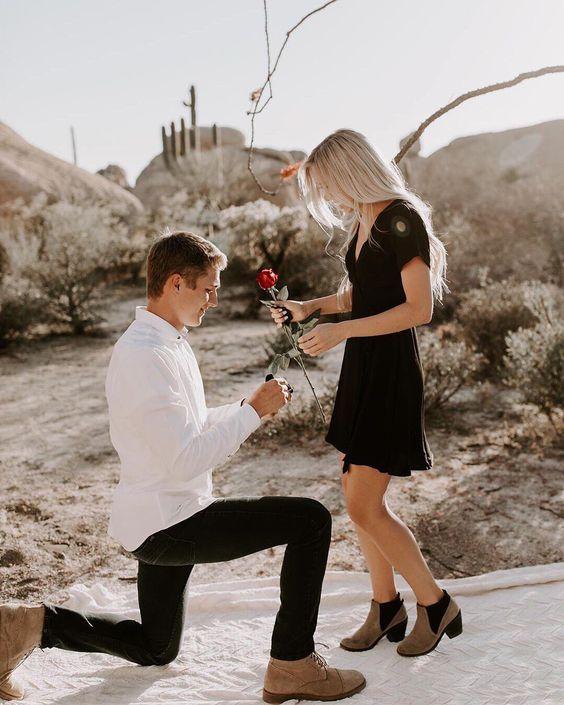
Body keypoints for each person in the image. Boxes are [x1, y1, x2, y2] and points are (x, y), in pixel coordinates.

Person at [0, 230, 366, 704]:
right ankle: (293, 665)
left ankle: (26, 625)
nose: (214, 300)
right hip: (169, 521)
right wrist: (254, 413)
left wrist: (246, 407)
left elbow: (189, 428)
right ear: (176, 283)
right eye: (208, 289)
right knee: (310, 521)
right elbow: (185, 460)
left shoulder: (167, 342)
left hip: (163, 514)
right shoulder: (145, 356)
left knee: (156, 648)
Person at [269, 129, 463, 658]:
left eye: (327, 184)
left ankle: (436, 605)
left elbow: (418, 309)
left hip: (390, 370)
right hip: (363, 367)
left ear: (350, 171)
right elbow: (368, 293)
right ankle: (385, 606)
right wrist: (313, 307)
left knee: (364, 505)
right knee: (358, 498)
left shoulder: (402, 217)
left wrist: (342, 331)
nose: (327, 197)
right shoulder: (365, 220)